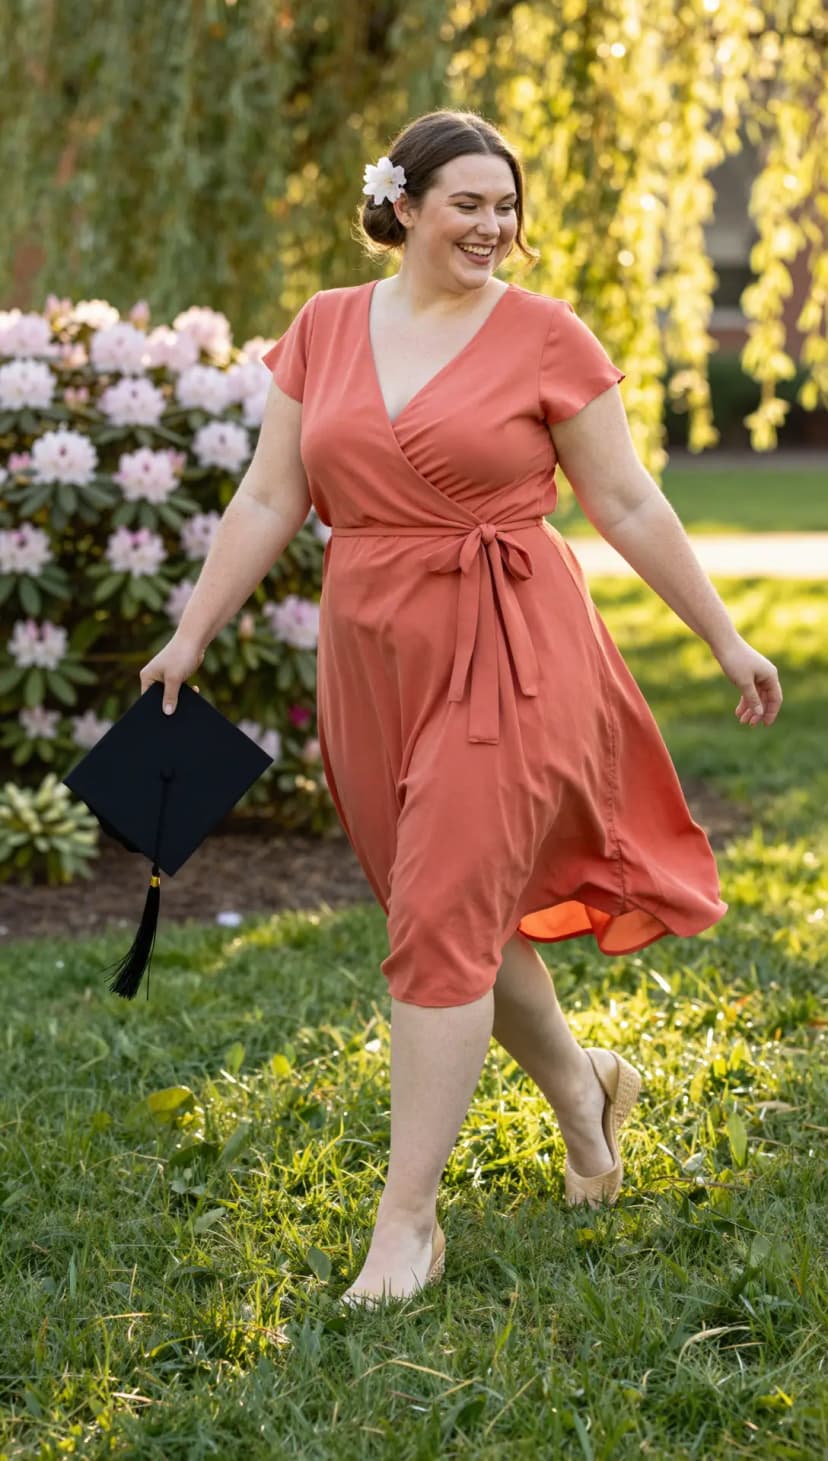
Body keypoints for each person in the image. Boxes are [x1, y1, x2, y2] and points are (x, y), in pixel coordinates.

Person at [139, 108, 783, 1307]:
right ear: (405, 207)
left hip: (512, 644)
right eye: (469, 205)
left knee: (440, 916)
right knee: (455, 915)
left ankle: (407, 1228)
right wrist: (192, 635)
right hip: (373, 652)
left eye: (506, 206)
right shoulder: (326, 327)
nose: (493, 227)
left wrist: (723, 635)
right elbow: (271, 496)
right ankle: (587, 1092)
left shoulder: (545, 334)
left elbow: (627, 501)